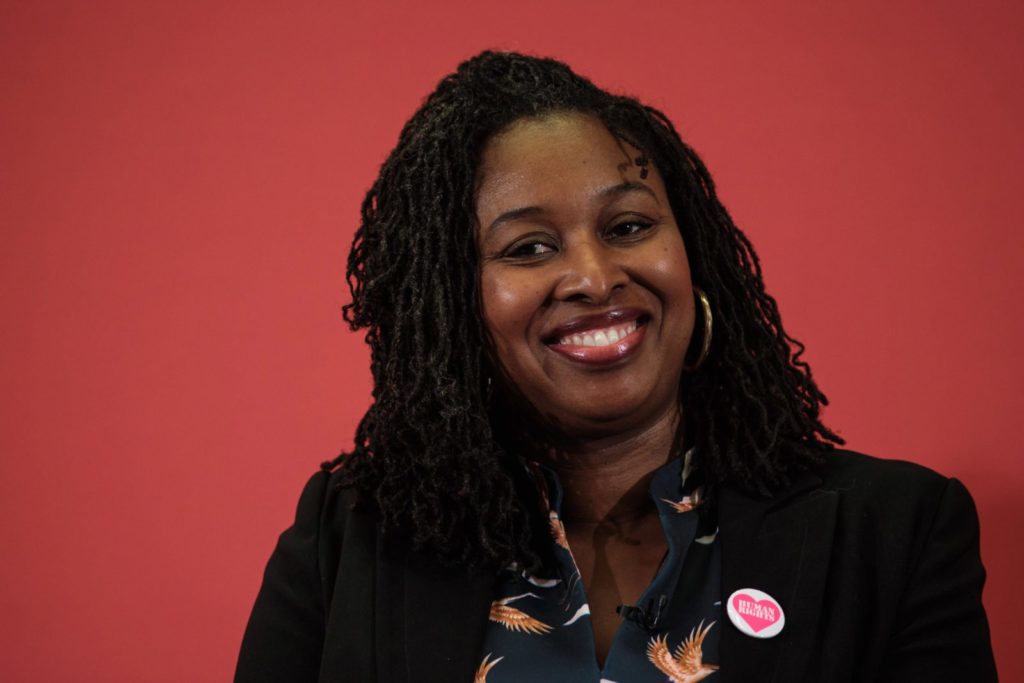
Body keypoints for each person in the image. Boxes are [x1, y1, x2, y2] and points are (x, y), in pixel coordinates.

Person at [235, 51, 997, 682]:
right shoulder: (348, 543)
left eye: (628, 225)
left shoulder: (894, 532)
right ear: (454, 306)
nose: (596, 277)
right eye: (529, 247)